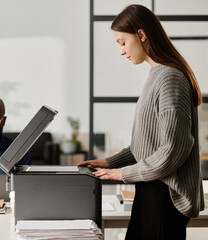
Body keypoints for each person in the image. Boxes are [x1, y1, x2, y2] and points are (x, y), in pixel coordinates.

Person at [79, 4, 204, 240]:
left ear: (141, 35)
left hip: (163, 197)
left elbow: (172, 150)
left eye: (122, 42)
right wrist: (108, 162)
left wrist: (121, 174)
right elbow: (146, 145)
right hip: (150, 191)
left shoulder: (170, 78)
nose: (121, 51)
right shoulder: (157, 75)